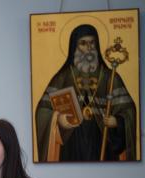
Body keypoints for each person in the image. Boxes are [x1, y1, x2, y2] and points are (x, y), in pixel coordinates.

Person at [35, 24, 137, 161]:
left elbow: (128, 110)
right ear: (74, 47)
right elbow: (42, 110)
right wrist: (58, 119)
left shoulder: (109, 77)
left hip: (102, 141)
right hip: (72, 142)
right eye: (83, 43)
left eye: (92, 43)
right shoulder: (62, 77)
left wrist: (118, 121)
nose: (89, 48)